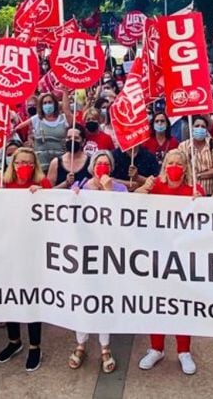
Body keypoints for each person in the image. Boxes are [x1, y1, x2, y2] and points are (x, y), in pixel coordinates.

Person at [135, 148, 203, 375]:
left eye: (179, 163)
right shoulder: (156, 187)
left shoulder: (193, 190)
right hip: (157, 255)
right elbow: (130, 207)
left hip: (183, 257)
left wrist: (200, 202)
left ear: (185, 169)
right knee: (157, 302)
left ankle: (184, 351)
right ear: (164, 166)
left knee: (182, 304)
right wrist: (143, 190)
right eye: (170, 162)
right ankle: (156, 348)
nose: (174, 167)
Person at [68, 150, 123, 374]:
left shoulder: (119, 188)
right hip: (84, 251)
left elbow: (124, 219)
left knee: (104, 300)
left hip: (109, 252)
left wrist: (109, 191)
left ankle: (105, 347)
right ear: (92, 167)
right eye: (98, 163)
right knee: (83, 297)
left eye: (106, 163)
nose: (102, 166)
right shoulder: (81, 186)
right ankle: (80, 344)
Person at [0, 147, 51, 371]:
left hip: (33, 249)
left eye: (28, 162)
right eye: (19, 162)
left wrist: (43, 195)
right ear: (12, 164)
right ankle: (14, 341)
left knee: (31, 296)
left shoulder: (43, 183)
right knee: (11, 295)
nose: (23, 166)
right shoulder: (4, 182)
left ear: (35, 164)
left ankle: (35, 346)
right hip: (9, 247)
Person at [22, 93, 71, 170]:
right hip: (42, 165)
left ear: (55, 104)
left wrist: (65, 92)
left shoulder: (63, 118)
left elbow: (67, 111)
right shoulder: (37, 119)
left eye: (50, 102)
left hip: (60, 164)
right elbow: (20, 126)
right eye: (44, 103)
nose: (47, 105)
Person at [180, 115, 213, 196]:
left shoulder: (212, 143)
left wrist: (198, 176)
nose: (200, 128)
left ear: (206, 130)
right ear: (192, 128)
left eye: (203, 127)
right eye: (197, 126)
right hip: (189, 192)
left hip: (209, 193)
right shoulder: (183, 146)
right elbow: (181, 168)